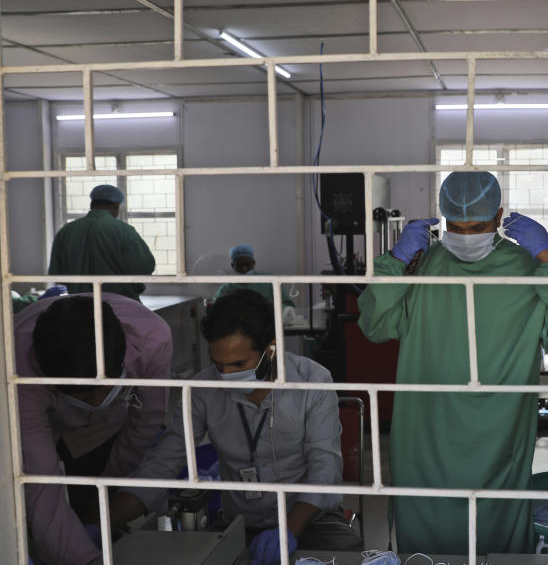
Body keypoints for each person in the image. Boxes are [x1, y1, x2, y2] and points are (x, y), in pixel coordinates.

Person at [358, 171, 548, 554]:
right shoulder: (421, 267)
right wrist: (394, 262)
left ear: (500, 216)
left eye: (478, 226)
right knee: (425, 535)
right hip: (426, 430)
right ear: (441, 218)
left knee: (496, 531)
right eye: (456, 226)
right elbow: (375, 325)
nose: (466, 236)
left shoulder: (527, 269)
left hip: (500, 431)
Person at [107, 289, 357, 565]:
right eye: (219, 365)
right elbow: (163, 463)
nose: (226, 377)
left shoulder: (313, 382)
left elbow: (325, 467)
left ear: (271, 348)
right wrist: (99, 526)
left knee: (345, 557)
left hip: (312, 520)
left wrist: (286, 531)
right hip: (238, 523)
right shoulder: (203, 391)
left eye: (239, 364)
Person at [15, 293, 172, 565]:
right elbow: (41, 484)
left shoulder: (152, 338)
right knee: (43, 516)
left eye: (103, 390)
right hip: (45, 428)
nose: (98, 403)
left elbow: (144, 422)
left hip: (110, 429)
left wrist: (107, 487)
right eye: (86, 398)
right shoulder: (18, 367)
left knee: (91, 501)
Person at [48, 184, 156, 301]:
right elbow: (144, 267)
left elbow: (56, 273)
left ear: (91, 204)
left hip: (78, 304)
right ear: (115, 206)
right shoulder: (123, 230)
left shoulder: (66, 231)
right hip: (120, 303)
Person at [213, 244, 296, 317]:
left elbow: (287, 303)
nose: (244, 268)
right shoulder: (227, 287)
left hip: (267, 326)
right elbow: (216, 306)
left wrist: (282, 309)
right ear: (232, 266)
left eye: (247, 264)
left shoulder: (270, 281)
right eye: (239, 265)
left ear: (253, 263)